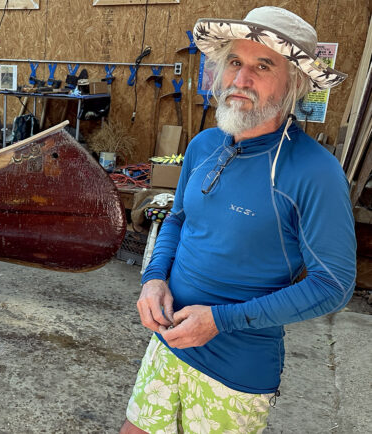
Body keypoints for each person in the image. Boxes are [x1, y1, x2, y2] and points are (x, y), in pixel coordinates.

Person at [120, 7, 356, 433]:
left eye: (262, 66)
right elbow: (178, 219)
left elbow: (334, 286)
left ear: (295, 82)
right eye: (234, 62)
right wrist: (154, 278)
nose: (240, 80)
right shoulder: (204, 145)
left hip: (234, 373)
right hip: (167, 344)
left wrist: (220, 320)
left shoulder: (313, 172)